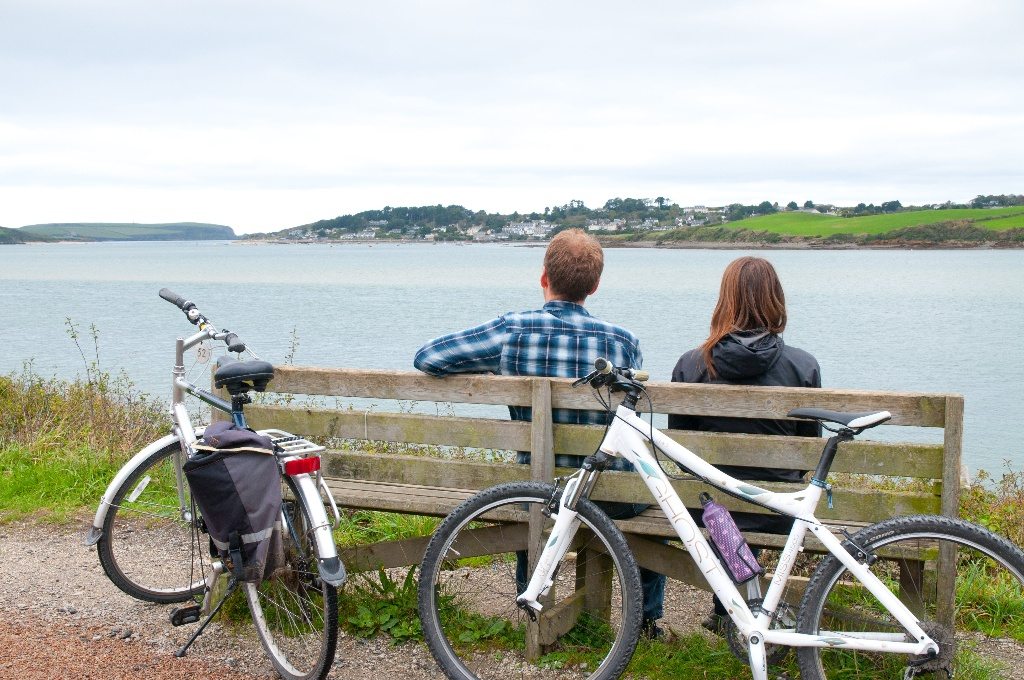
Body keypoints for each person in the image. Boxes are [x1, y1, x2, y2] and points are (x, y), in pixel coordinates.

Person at [414, 228, 667, 637]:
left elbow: (428, 358)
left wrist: (494, 365)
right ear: (595, 285)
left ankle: (529, 601)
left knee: (531, 485)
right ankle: (647, 619)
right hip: (612, 496)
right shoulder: (624, 342)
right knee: (643, 491)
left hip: (538, 492)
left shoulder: (511, 330)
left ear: (543, 277)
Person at [667, 255, 821, 635]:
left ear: (724, 301)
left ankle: (727, 613)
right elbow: (809, 448)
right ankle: (739, 614)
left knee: (716, 493)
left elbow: (682, 452)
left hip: (709, 508)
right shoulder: (804, 367)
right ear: (776, 300)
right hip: (778, 508)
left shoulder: (690, 365)